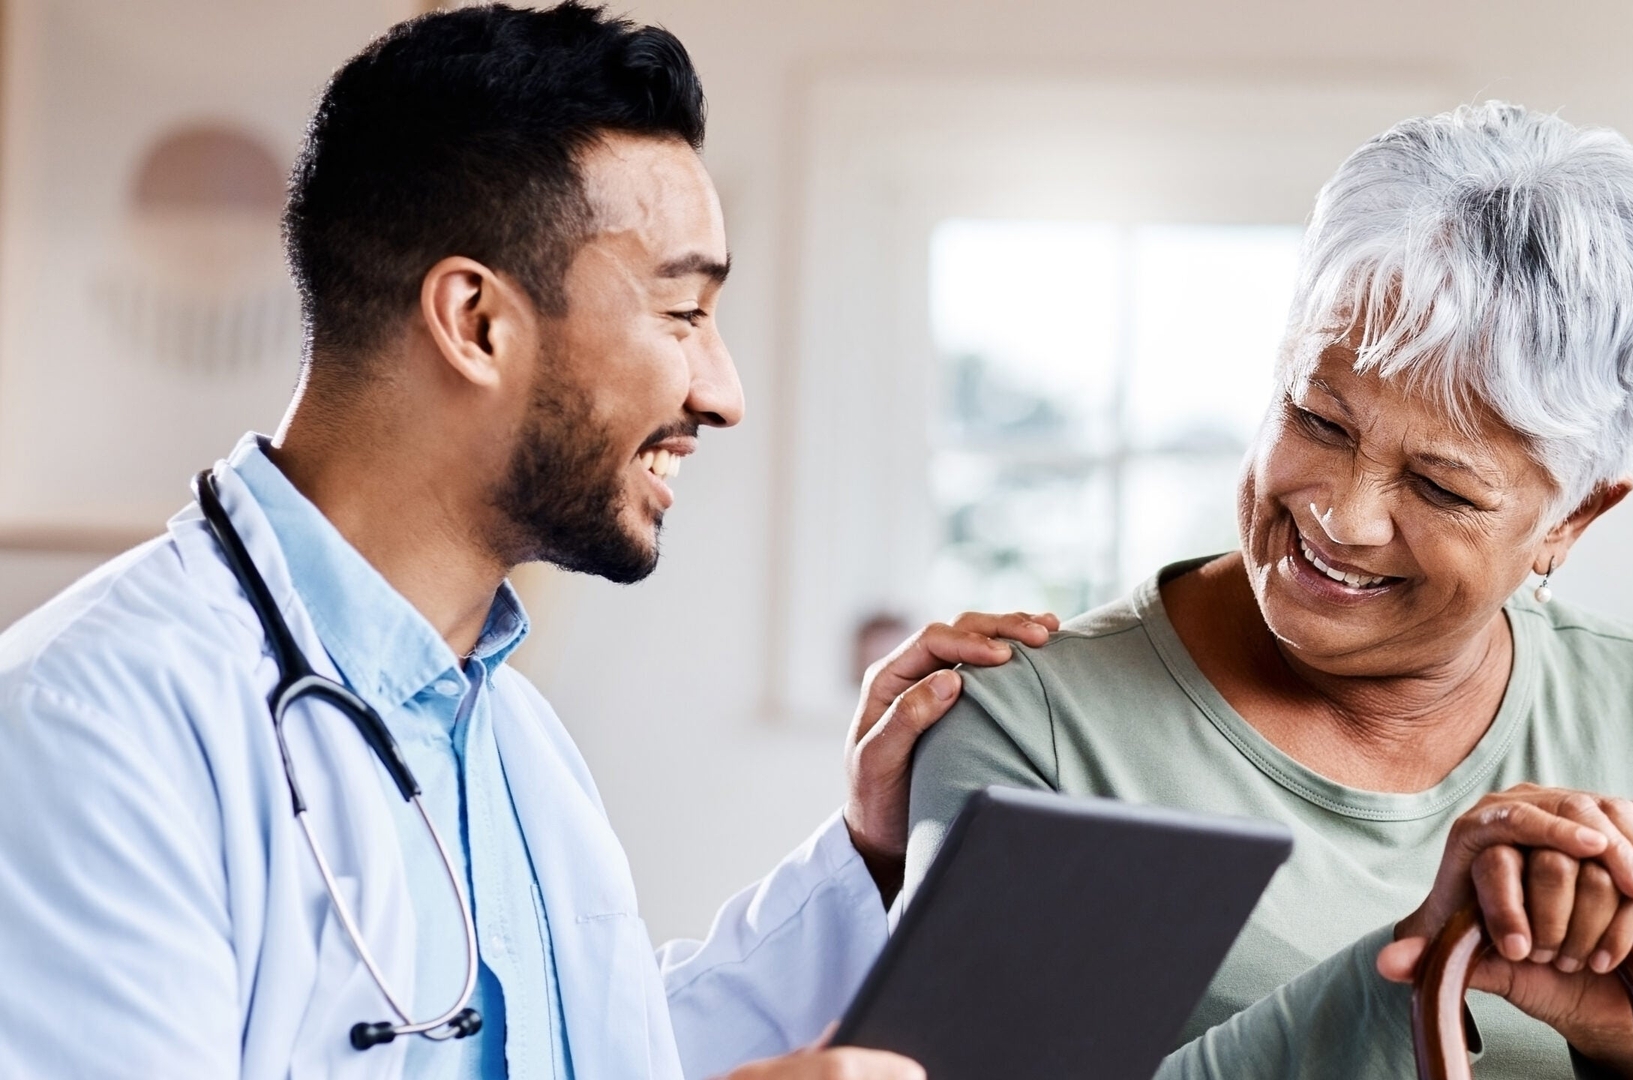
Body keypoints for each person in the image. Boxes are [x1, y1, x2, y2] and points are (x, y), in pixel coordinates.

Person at [0, 6, 1059, 1079]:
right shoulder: (88, 725)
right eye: (684, 312)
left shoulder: (505, 730)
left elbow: (605, 1057)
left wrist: (868, 855)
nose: (724, 394)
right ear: (478, 323)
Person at [903, 102, 1633, 1079]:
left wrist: (1617, 1007)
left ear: (1572, 520)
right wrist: (1419, 970)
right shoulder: (1031, 719)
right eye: (1318, 418)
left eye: (1439, 486)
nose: (1343, 514)